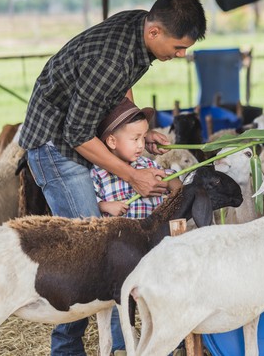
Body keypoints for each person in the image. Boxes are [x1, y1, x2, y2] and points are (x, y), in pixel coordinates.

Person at [19, 0, 206, 356]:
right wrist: (133, 174)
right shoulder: (112, 57)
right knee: (89, 251)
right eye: (179, 47)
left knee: (107, 249)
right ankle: (67, 350)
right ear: (154, 32)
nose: (182, 55)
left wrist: (132, 129)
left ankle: (122, 342)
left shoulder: (138, 29)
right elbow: (76, 133)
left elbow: (119, 87)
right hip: (56, 146)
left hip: (79, 134)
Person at [91, 97, 182, 353]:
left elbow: (175, 188)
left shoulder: (148, 165)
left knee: (155, 295)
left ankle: (161, 341)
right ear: (111, 141)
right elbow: (91, 203)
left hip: (150, 248)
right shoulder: (98, 172)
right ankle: (122, 345)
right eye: (135, 139)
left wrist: (172, 179)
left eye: (144, 138)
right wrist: (106, 207)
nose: (142, 145)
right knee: (121, 300)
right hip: (120, 253)